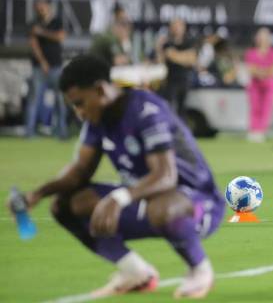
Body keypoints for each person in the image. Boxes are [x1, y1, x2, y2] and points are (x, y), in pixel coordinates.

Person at [8, 55, 224, 298]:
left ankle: (199, 270)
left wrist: (118, 198)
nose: (79, 113)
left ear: (100, 90)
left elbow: (166, 175)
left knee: (161, 207)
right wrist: (37, 194)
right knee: (67, 204)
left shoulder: (145, 110)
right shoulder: (97, 120)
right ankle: (135, 273)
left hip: (197, 203)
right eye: (74, 106)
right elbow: (80, 171)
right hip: (147, 199)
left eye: (80, 103)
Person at [25, 0, 68, 139]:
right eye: (38, 7)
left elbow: (61, 37)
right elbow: (33, 44)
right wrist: (43, 62)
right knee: (34, 100)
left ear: (48, 7)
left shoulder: (56, 21)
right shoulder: (33, 23)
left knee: (60, 100)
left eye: (43, 7)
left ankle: (61, 131)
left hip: (56, 66)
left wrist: (42, 32)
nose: (41, 10)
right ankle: (29, 132)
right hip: (39, 67)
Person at [244, 27, 273, 143]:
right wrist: (261, 72)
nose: (261, 39)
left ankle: (261, 131)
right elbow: (251, 69)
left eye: (264, 37)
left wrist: (261, 72)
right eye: (259, 37)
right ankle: (254, 130)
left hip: (270, 85)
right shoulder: (250, 53)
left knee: (266, 108)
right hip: (255, 85)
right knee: (255, 107)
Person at [156, 18, 197, 115]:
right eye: (174, 26)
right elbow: (161, 60)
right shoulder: (167, 43)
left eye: (179, 26)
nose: (176, 29)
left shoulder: (189, 41)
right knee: (170, 108)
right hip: (171, 81)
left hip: (185, 81)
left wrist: (174, 55)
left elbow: (192, 60)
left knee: (183, 110)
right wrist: (183, 57)